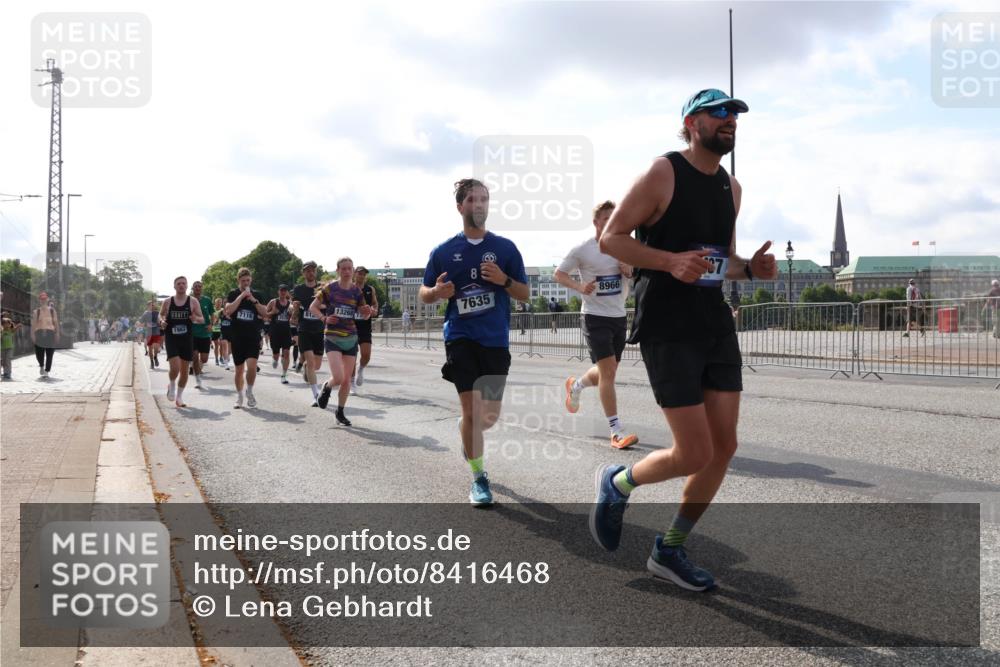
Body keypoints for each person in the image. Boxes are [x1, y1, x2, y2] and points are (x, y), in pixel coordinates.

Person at [590, 88, 777, 591]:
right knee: (693, 452)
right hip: (668, 324)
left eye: (734, 114)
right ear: (692, 123)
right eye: (719, 113)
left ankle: (669, 549)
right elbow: (612, 238)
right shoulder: (663, 172)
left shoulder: (731, 188)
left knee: (724, 447)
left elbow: (723, 261)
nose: (730, 120)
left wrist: (752, 270)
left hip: (713, 322)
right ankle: (618, 482)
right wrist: (670, 261)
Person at [419, 178, 529, 505]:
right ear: (460, 207)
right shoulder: (443, 252)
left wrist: (504, 280)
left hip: (494, 339)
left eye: (483, 199)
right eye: (471, 199)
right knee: (471, 409)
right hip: (460, 337)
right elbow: (424, 292)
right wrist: (436, 292)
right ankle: (479, 478)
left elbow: (524, 293)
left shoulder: (506, 249)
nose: (478, 204)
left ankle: (466, 428)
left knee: (488, 417)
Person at [555, 200, 639, 449]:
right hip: (594, 316)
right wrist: (580, 287)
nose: (611, 222)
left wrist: (629, 269)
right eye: (606, 219)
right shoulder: (584, 249)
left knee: (607, 371)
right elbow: (559, 274)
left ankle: (576, 385)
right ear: (596, 223)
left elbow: (636, 273)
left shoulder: (626, 246)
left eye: (615, 218)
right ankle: (616, 431)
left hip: (618, 316)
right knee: (609, 373)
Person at [312, 258, 374, 424]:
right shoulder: (330, 288)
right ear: (338, 270)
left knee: (346, 379)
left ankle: (340, 412)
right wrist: (324, 318)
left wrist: (367, 312)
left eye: (349, 268)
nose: (347, 271)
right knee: (338, 377)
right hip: (333, 336)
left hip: (351, 337)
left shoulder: (356, 291)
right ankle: (327, 386)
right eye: (344, 268)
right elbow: (313, 307)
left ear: (352, 271)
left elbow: (364, 315)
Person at [224, 267, 268, 409]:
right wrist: (242, 296)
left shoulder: (257, 294)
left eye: (248, 280)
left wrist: (253, 300)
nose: (246, 283)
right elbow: (228, 310)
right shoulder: (233, 294)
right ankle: (239, 396)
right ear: (238, 280)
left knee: (252, 367)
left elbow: (265, 313)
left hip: (253, 336)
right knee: (239, 370)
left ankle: (249, 391)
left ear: (251, 280)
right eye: (243, 281)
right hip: (237, 337)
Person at [159, 276, 205, 408]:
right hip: (172, 338)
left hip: (187, 339)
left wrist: (195, 318)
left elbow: (202, 319)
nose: (181, 285)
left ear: (187, 286)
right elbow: (160, 315)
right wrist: (162, 321)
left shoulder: (193, 301)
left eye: (184, 283)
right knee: (175, 368)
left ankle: (179, 397)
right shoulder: (168, 301)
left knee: (184, 371)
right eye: (178, 283)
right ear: (174, 286)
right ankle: (172, 384)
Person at [292, 261, 326, 406]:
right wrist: (294, 310)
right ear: (303, 273)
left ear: (315, 272)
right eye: (307, 271)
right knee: (311, 362)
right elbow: (295, 306)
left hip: (319, 329)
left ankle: (305, 366)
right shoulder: (299, 289)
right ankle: (315, 395)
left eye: (312, 270)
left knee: (316, 365)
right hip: (304, 328)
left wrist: (319, 307)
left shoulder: (323, 287)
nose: (310, 273)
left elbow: (329, 304)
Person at [351, 266, 380, 393]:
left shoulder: (370, 289)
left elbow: (374, 303)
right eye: (359, 273)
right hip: (351, 326)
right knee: (352, 356)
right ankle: (351, 383)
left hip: (365, 326)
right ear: (355, 274)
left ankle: (361, 369)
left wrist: (374, 309)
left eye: (363, 274)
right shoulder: (350, 288)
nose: (361, 276)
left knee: (366, 355)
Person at [266, 284, 294, 384]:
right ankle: (275, 359)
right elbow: (264, 315)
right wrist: (272, 312)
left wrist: (292, 315)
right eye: (281, 290)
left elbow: (293, 318)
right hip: (275, 332)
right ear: (278, 291)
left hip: (286, 331)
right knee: (276, 354)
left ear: (287, 292)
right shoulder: (273, 302)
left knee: (286, 353)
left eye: (285, 291)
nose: (283, 292)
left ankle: (284, 375)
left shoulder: (290, 304)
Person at [190, 281, 215, 390]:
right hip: (192, 333)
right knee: (195, 356)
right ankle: (198, 380)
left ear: (202, 288)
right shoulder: (188, 300)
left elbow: (212, 314)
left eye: (199, 286)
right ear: (192, 288)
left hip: (204, 333)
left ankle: (198, 368)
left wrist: (211, 325)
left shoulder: (207, 300)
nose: (198, 288)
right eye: (196, 286)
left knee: (204, 359)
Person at [31, 291, 60, 378]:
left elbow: (56, 323)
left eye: (44, 299)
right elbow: (33, 324)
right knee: (39, 353)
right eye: (41, 299)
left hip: (50, 333)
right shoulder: (36, 312)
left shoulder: (52, 311)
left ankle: (47, 370)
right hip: (39, 333)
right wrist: (32, 334)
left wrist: (57, 333)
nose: (43, 300)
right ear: (39, 300)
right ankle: (41, 365)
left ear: (47, 299)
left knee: (50, 353)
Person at [142, 301, 162, 368]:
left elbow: (160, 319)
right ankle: (151, 362)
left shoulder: (157, 313)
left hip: (156, 332)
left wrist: (160, 322)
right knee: (150, 349)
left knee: (156, 348)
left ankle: (155, 357)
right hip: (149, 333)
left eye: (154, 305)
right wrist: (139, 324)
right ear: (148, 306)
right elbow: (141, 321)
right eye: (151, 305)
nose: (153, 306)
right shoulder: (145, 313)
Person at [2, 315, 22, 380]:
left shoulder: (11, 330)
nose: (6, 325)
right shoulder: (2, 331)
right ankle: (5, 372)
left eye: (7, 324)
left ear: (10, 324)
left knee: (8, 360)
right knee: (4, 361)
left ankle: (8, 373)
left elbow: (15, 329)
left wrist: (18, 326)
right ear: (2, 325)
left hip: (9, 348)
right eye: (4, 324)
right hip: (2, 348)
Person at [216, 298, 233, 369]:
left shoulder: (232, 312)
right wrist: (216, 322)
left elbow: (235, 321)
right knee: (224, 347)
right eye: (224, 303)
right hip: (223, 332)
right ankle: (226, 364)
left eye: (227, 303)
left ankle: (227, 356)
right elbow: (217, 321)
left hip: (231, 332)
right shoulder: (221, 312)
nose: (225, 304)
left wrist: (229, 317)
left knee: (230, 350)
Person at [210, 297, 223, 365]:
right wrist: (215, 321)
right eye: (217, 302)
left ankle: (221, 357)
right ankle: (216, 359)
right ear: (215, 303)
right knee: (217, 345)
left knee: (221, 344)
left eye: (220, 302)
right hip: (214, 330)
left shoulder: (223, 310)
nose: (219, 304)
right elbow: (211, 320)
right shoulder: (212, 310)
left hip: (221, 330)